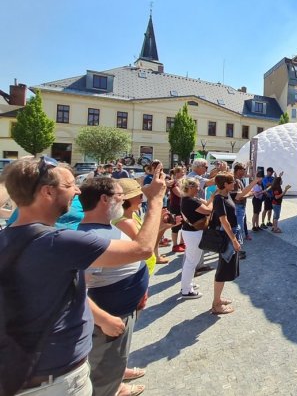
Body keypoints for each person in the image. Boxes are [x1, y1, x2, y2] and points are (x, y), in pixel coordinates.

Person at [0, 157, 165, 396]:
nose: (77, 191)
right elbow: (142, 249)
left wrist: (101, 317)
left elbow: (62, 287)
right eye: (69, 185)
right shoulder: (60, 241)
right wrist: (156, 199)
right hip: (57, 380)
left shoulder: (9, 238)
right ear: (47, 192)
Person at [78, 177, 151, 396]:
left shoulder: (104, 227)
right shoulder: (91, 239)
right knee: (102, 375)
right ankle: (113, 388)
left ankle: (117, 379)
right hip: (110, 318)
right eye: (120, 196)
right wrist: (103, 319)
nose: (124, 201)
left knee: (116, 358)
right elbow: (75, 290)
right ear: (104, 199)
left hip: (124, 310)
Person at [209, 173, 244, 315]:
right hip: (226, 237)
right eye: (232, 182)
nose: (234, 184)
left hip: (230, 235)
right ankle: (216, 304)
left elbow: (243, 193)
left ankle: (218, 298)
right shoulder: (219, 199)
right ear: (225, 184)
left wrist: (255, 182)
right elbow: (224, 221)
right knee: (223, 268)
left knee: (225, 267)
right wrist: (234, 240)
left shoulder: (226, 195)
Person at [179, 177, 214, 299]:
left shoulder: (188, 199)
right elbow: (208, 210)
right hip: (193, 233)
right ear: (190, 187)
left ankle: (187, 284)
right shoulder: (190, 201)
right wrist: (212, 201)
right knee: (191, 261)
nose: (199, 188)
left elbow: (205, 207)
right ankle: (186, 290)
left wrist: (208, 199)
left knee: (191, 260)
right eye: (197, 186)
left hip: (190, 232)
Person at [168, 166, 186, 253]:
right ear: (177, 173)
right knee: (175, 226)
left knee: (184, 225)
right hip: (175, 207)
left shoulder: (183, 181)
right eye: (182, 172)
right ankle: (175, 245)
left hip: (183, 206)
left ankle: (182, 243)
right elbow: (179, 194)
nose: (184, 173)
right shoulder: (173, 183)